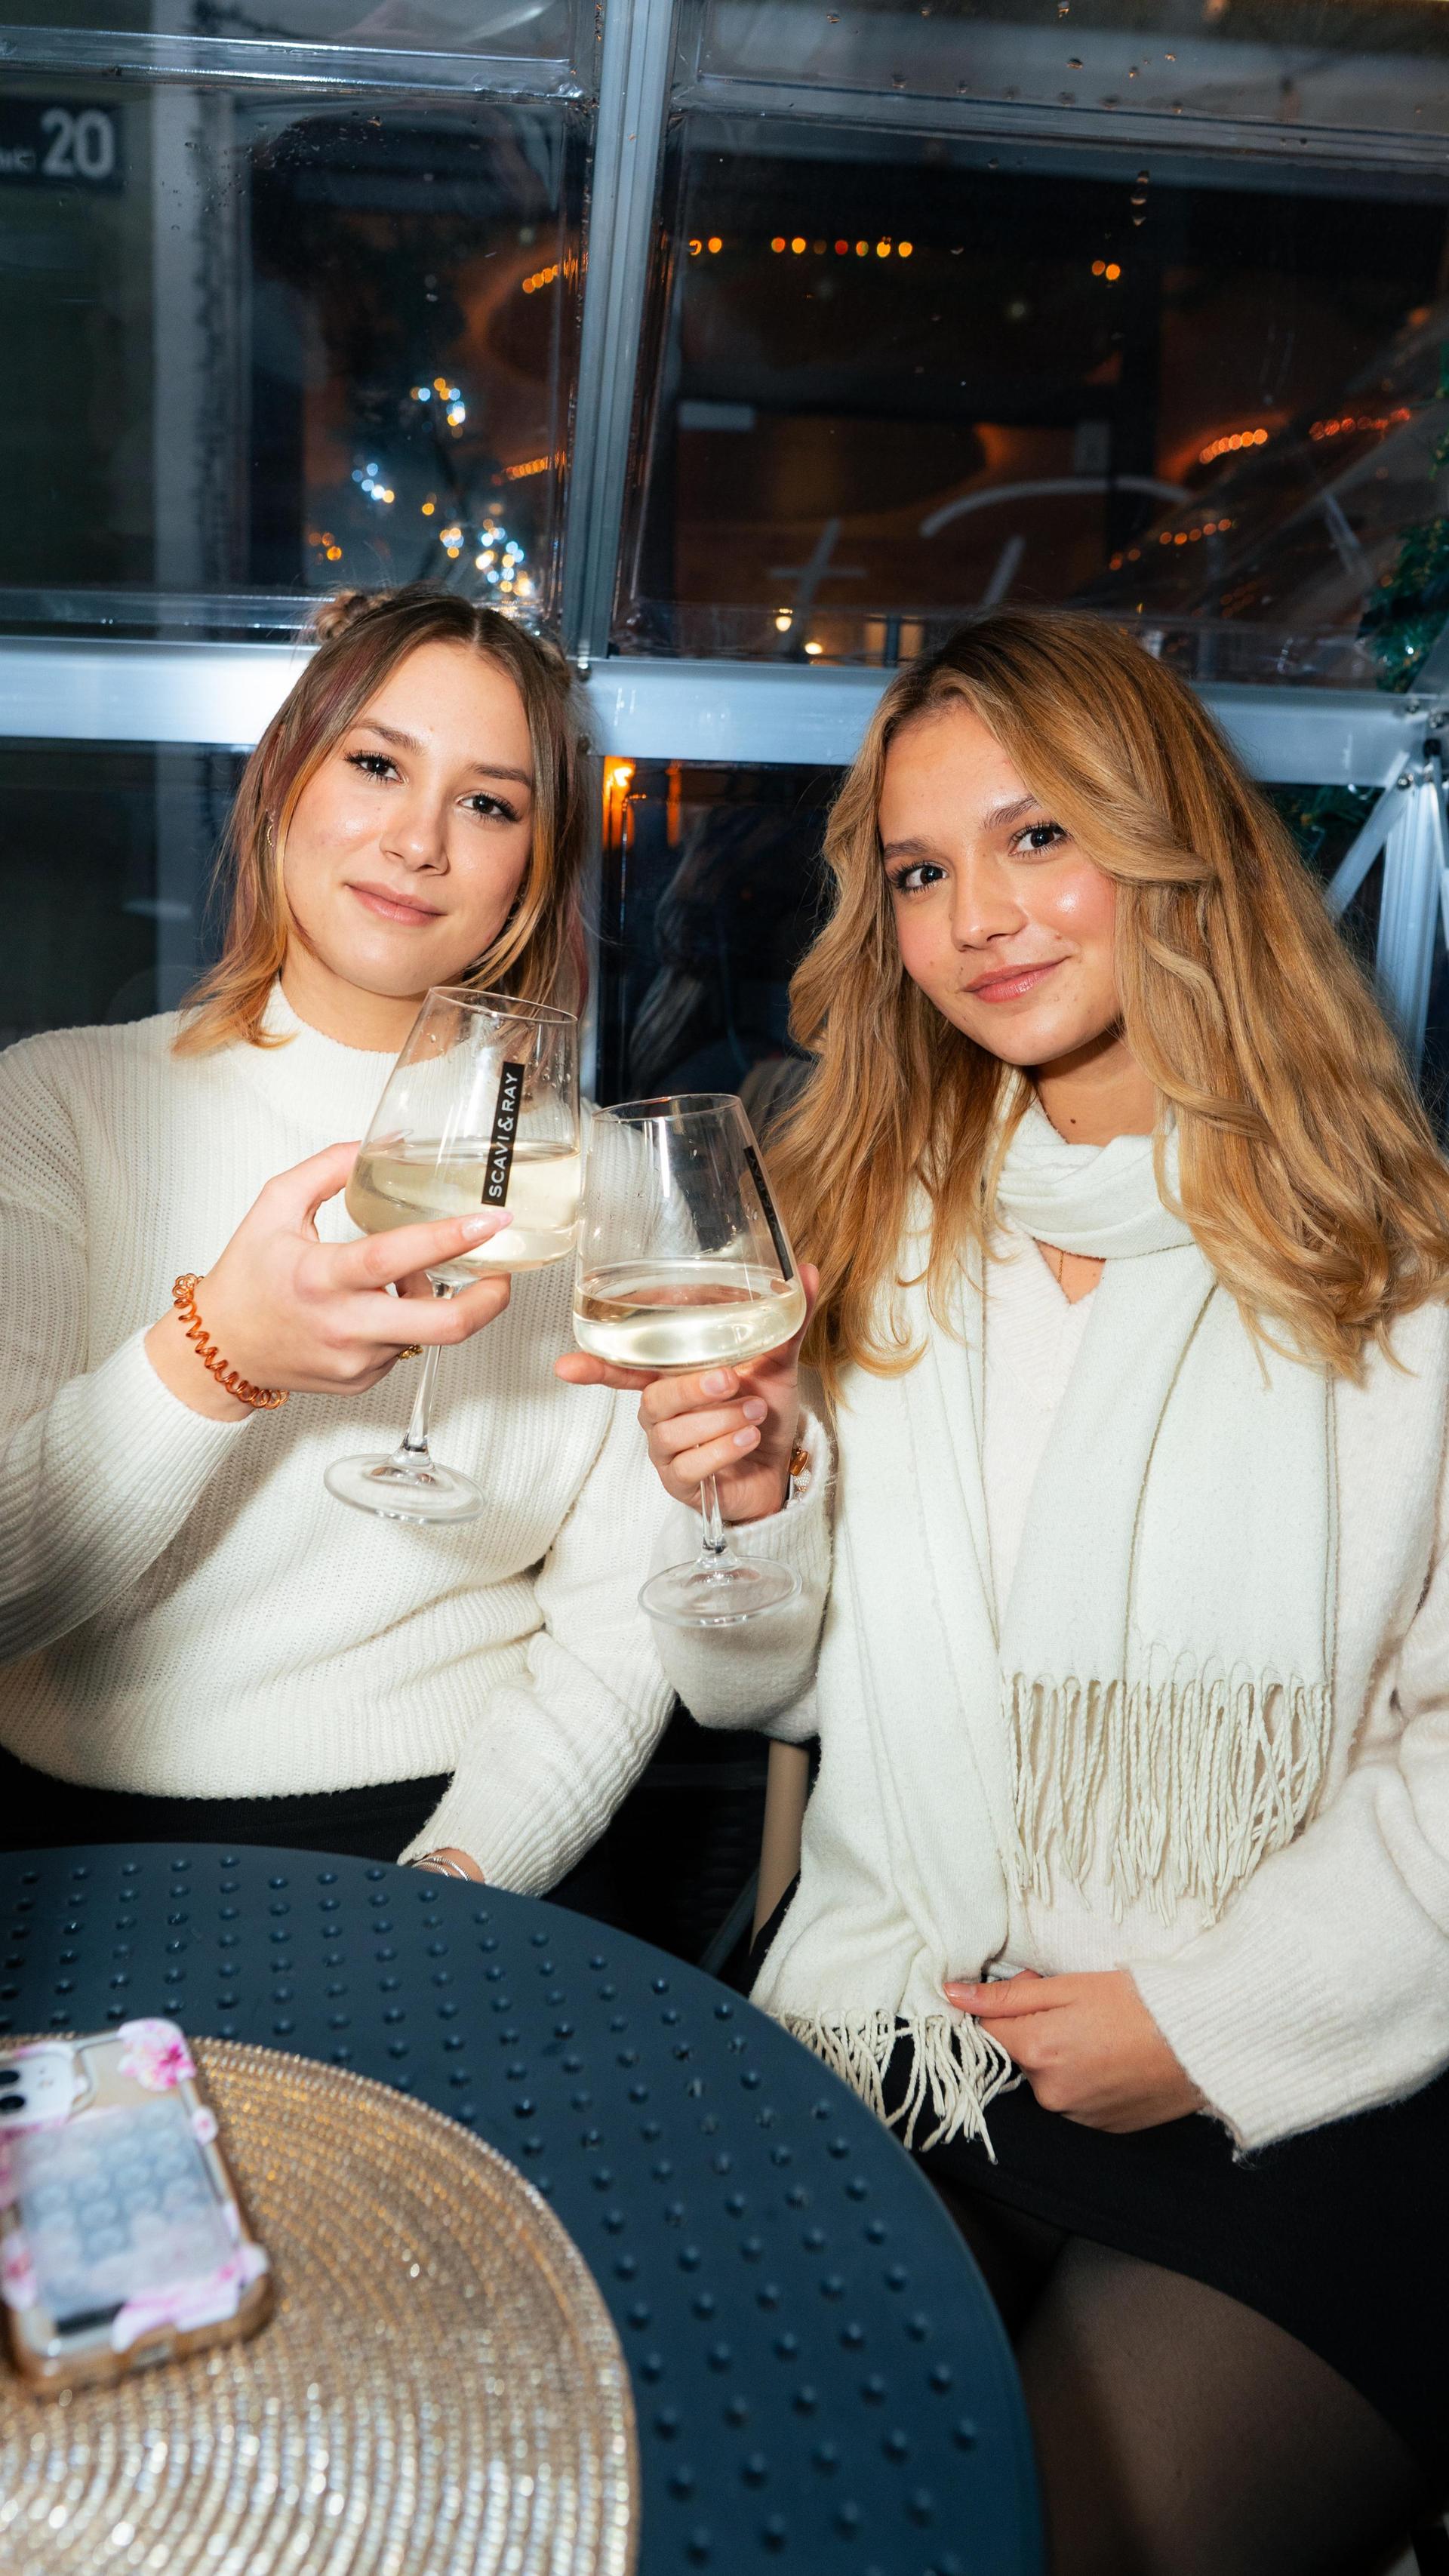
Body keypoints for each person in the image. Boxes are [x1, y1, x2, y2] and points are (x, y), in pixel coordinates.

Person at [577, 613, 1449, 2574]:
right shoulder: (863, 1222)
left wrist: (1210, 2017)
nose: (975, 915)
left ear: (1170, 845)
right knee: (739, 2509)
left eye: (1037, 834)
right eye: (918, 869)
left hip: (1304, 2064)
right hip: (912, 2016)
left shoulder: (1405, 1273)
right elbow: (761, 1694)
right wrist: (743, 1507)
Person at [0, 583, 697, 1895]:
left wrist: (459, 1884)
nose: (418, 840)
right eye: (377, 764)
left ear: (535, 866)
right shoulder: (56, 1105)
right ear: (283, 783)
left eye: (489, 804)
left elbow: (619, 1626)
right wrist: (215, 1354)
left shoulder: (599, 1177)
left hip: (462, 1832)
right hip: (73, 1847)